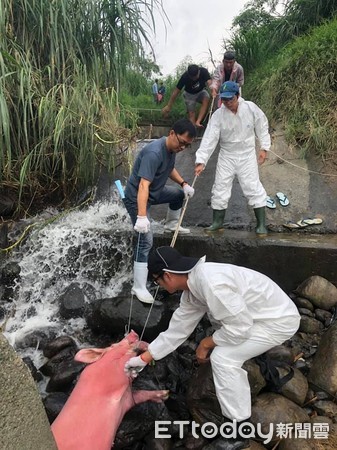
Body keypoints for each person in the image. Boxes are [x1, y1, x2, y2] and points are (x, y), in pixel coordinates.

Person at [125, 246, 300, 445]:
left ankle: (239, 430)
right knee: (221, 337)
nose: (160, 287)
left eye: (157, 282)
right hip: (257, 317)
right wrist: (144, 359)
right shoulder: (192, 288)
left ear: (167, 276)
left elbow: (240, 329)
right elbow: (178, 330)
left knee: (224, 359)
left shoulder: (211, 284)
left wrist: (206, 344)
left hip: (277, 321)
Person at [123, 119, 196, 304]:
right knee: (145, 238)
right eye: (182, 143)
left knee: (178, 195)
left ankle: (171, 225)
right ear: (172, 133)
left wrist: (184, 183)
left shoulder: (171, 149)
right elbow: (143, 186)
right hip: (137, 197)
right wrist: (141, 216)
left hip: (155, 192)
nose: (182, 148)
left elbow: (169, 169)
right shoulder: (154, 152)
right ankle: (138, 286)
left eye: (187, 145)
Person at [194, 80, 270, 235]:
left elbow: (262, 126)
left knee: (253, 187)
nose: (228, 102)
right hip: (227, 155)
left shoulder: (250, 108)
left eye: (231, 99)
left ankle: (261, 224)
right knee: (220, 187)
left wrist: (264, 148)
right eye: (225, 99)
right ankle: (217, 222)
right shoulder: (218, 115)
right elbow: (210, 138)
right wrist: (201, 160)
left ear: (238, 95)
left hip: (247, 154)